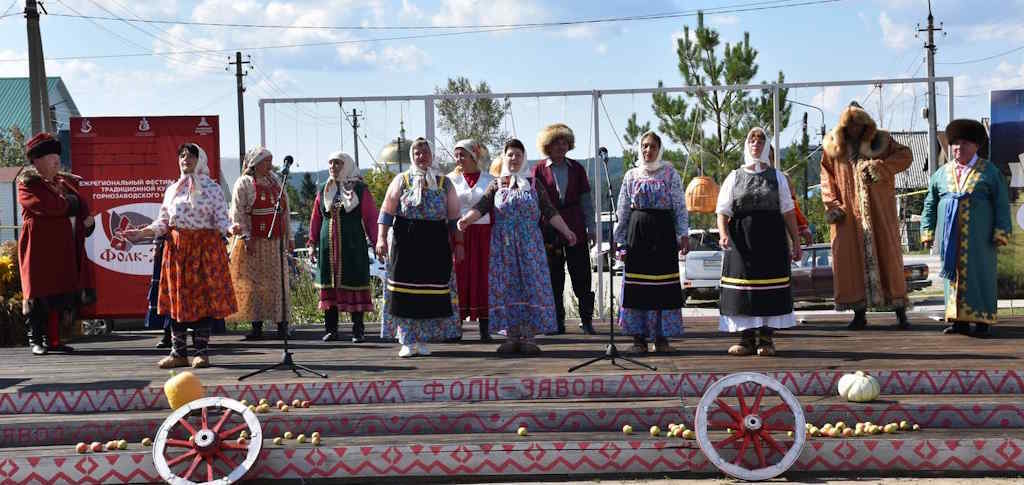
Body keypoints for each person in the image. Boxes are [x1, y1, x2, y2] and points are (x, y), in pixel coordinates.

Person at [121, 143, 241, 368]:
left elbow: (221, 220)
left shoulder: (211, 188)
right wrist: (141, 233)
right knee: (177, 300)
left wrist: (231, 228)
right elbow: (164, 222)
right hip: (177, 250)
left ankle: (201, 352)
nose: (185, 159)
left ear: (201, 160)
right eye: (182, 156)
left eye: (191, 156)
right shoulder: (172, 189)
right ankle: (178, 353)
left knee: (202, 300)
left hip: (204, 249)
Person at [458, 139, 578, 354]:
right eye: (510, 155)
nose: (514, 159)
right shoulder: (496, 184)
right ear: (504, 158)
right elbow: (482, 206)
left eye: (518, 155)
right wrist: (467, 219)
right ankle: (512, 336)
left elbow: (549, 211)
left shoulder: (533, 183)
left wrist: (567, 231)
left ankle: (529, 337)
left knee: (531, 286)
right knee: (507, 288)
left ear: (524, 158)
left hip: (529, 244)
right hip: (503, 245)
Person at [820, 101, 913, 329]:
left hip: (880, 212)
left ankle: (900, 311)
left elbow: (906, 156)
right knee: (849, 263)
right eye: (849, 125)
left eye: (858, 124)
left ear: (866, 125)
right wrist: (833, 205)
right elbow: (826, 178)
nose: (854, 129)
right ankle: (858, 314)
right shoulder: (833, 147)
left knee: (889, 258)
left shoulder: (881, 141)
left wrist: (882, 167)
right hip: (848, 215)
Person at [921, 119, 1012, 337]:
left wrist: (1001, 231)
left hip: (980, 239)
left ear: (976, 146)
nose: (958, 148)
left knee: (981, 275)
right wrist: (928, 230)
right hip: (949, 238)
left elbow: (1001, 202)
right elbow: (930, 203)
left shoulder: (989, 172)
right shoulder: (941, 174)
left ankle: (982, 321)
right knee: (953, 276)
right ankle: (958, 321)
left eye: (964, 143)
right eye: (955, 143)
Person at [716, 127, 802, 356]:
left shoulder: (778, 178)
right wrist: (723, 234)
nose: (756, 143)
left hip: (771, 238)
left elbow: (788, 210)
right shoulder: (734, 177)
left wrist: (796, 241)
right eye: (752, 140)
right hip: (741, 238)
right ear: (747, 144)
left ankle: (766, 338)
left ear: (766, 146)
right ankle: (746, 339)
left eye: (761, 140)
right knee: (745, 289)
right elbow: (722, 210)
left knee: (769, 288)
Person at [376, 137, 462, 357]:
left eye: (425, 152)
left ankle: (424, 340)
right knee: (404, 293)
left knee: (430, 293)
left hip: (435, 243)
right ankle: (406, 340)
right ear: (412, 156)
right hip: (406, 241)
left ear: (432, 156)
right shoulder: (401, 180)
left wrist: (459, 243)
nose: (421, 156)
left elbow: (454, 218)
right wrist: (381, 238)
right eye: (417, 153)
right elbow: (386, 212)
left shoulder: (444, 183)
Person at [17, 132, 95, 355]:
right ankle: (36, 340)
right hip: (37, 246)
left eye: (56, 156)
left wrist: (86, 219)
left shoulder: (64, 183)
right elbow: (50, 207)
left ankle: (54, 340)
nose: (56, 160)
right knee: (38, 291)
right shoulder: (28, 185)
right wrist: (71, 204)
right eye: (50, 156)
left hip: (61, 245)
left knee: (59, 291)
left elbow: (81, 205)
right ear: (37, 161)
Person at [614, 131, 688, 354]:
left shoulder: (670, 174)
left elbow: (679, 206)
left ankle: (661, 336)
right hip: (638, 235)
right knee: (638, 288)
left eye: (652, 146)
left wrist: (682, 234)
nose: (648, 150)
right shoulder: (631, 175)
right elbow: (623, 209)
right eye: (644, 146)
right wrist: (619, 241)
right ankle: (638, 337)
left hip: (663, 235)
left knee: (662, 287)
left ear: (659, 149)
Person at [531, 123, 597, 335]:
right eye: (556, 142)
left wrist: (591, 227)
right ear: (547, 146)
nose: (561, 146)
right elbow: (534, 202)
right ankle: (556, 322)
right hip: (549, 228)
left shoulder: (577, 168)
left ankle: (586, 320)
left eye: (564, 142)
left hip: (576, 226)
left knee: (582, 274)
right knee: (553, 276)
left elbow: (586, 201)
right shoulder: (538, 169)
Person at [308, 151, 379, 342]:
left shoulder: (360, 189)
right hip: (327, 245)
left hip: (352, 245)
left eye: (337, 163)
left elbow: (371, 218)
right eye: (330, 163)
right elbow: (316, 217)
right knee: (329, 284)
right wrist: (312, 243)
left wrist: (377, 241)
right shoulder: (324, 188)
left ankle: (358, 330)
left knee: (354, 283)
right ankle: (331, 329)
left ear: (346, 165)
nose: (333, 167)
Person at [227, 147, 292, 340]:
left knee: (277, 283)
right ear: (255, 163)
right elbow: (237, 213)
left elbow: (285, 210)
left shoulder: (276, 180)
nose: (270, 165)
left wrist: (289, 238)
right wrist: (245, 237)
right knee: (255, 284)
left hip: (275, 243)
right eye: (266, 161)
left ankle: (282, 323)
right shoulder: (244, 183)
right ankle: (257, 326)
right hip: (254, 241)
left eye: (270, 161)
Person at [448, 139, 494, 342]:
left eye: (463, 154)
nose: (459, 159)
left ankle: (485, 326)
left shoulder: (490, 179)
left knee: (483, 276)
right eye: (456, 155)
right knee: (459, 276)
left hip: (484, 233)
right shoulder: (450, 180)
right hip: (459, 234)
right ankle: (456, 326)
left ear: (474, 156)